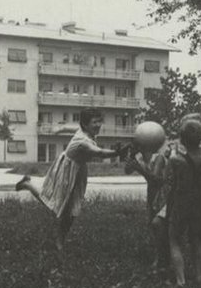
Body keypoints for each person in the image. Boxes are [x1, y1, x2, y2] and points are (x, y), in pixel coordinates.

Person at [15, 108, 122, 252]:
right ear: (85, 124)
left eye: (99, 121)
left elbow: (70, 126)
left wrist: (59, 129)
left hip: (78, 171)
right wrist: (117, 152)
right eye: (94, 122)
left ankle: (59, 241)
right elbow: (100, 153)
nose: (98, 125)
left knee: (71, 210)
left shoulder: (86, 131)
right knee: (54, 204)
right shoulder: (82, 141)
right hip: (67, 171)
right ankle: (27, 184)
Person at [165, 118, 201, 286]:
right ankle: (199, 276)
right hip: (200, 202)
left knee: (174, 239)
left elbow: (169, 181)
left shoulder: (175, 159)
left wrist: (173, 148)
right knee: (196, 239)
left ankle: (181, 280)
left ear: (182, 137)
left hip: (181, 202)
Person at [124, 139, 169, 272]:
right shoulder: (140, 158)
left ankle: (161, 259)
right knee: (153, 227)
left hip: (163, 193)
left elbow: (156, 179)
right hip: (152, 193)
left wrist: (139, 169)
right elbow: (127, 171)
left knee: (159, 225)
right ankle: (161, 257)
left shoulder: (158, 157)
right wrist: (130, 157)